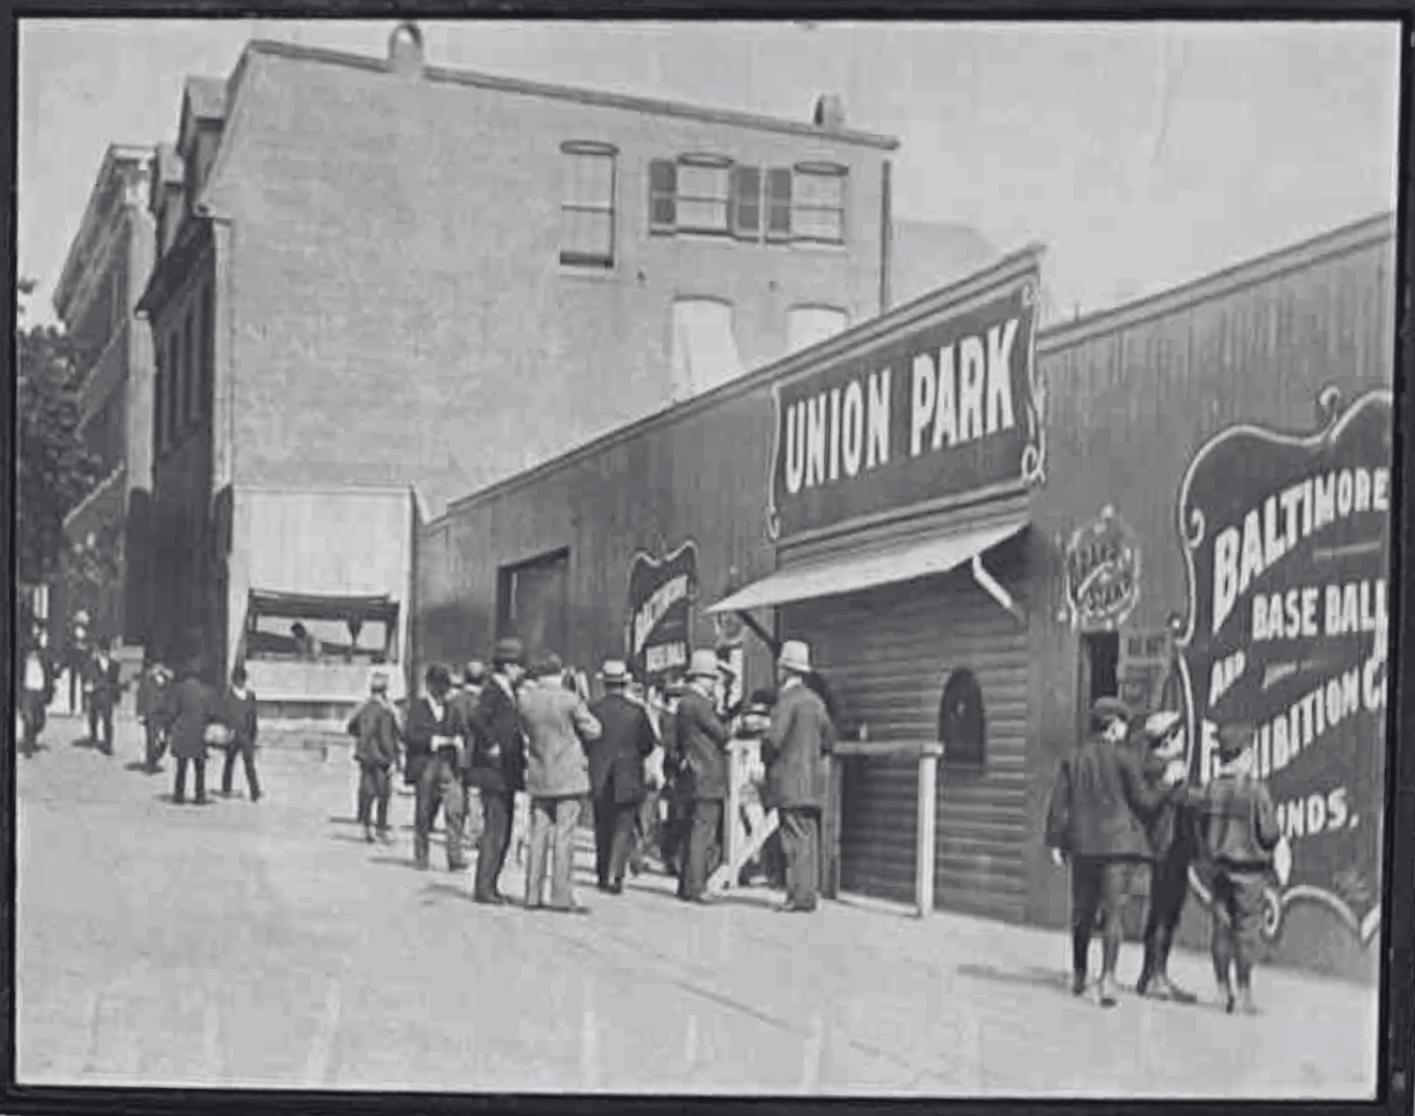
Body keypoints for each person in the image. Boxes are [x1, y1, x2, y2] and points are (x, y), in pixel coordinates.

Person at [1045, 696, 1184, 1007]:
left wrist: (1055, 842)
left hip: (1083, 846)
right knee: (1113, 914)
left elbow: (1058, 804)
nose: (1126, 730)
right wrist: (1167, 782)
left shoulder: (1073, 758)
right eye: (1123, 724)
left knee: (1081, 912)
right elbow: (1146, 801)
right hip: (1117, 847)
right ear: (1113, 726)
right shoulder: (1125, 758)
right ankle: (1107, 978)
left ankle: (1080, 974)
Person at [1190, 722, 1282, 1015]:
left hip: (1218, 869)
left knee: (1221, 929)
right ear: (1244, 754)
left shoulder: (1211, 788)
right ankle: (1243, 994)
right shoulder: (1256, 790)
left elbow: (1201, 829)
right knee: (1246, 932)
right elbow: (1270, 833)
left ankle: (1221, 991)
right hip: (1249, 873)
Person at [519, 651, 601, 912]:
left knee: (538, 835)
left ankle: (532, 894)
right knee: (564, 837)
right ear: (561, 672)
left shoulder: (526, 700)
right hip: (568, 776)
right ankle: (561, 896)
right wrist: (582, 696)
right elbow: (594, 730)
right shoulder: (570, 700)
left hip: (539, 773)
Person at [763, 641, 835, 913]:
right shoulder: (816, 701)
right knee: (809, 840)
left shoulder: (786, 701)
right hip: (813, 783)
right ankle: (807, 896)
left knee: (792, 841)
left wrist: (765, 756)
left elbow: (773, 741)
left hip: (789, 782)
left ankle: (797, 897)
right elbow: (829, 740)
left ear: (784, 670)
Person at [1134, 710, 1198, 1003]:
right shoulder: (1160, 768)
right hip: (1167, 847)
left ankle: (1151, 975)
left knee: (1164, 911)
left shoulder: (1161, 766)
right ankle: (1156, 977)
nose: (1184, 737)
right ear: (1169, 737)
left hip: (1171, 847)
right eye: (1180, 733)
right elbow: (1174, 800)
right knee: (1165, 913)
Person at [466, 638, 529, 904]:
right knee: (495, 831)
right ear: (508, 666)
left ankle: (491, 885)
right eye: (519, 666)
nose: (522, 671)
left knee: (501, 831)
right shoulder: (493, 690)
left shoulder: (506, 690)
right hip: (494, 772)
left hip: (505, 772)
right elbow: (475, 718)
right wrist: (491, 743)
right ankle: (484, 888)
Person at [587, 660, 658, 894]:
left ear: (604, 683)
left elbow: (585, 741)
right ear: (624, 683)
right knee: (623, 827)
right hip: (629, 775)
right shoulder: (636, 711)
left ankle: (602, 873)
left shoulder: (593, 709)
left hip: (600, 775)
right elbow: (648, 743)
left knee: (603, 827)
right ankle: (614, 875)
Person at [671, 649, 733, 903]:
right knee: (703, 832)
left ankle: (687, 885)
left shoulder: (684, 703)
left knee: (693, 830)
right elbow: (722, 734)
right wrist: (721, 705)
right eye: (712, 678)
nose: (714, 683)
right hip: (707, 774)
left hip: (692, 774)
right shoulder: (699, 703)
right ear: (703, 678)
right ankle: (697, 887)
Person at [408, 664, 465, 871]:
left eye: (445, 685)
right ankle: (421, 856)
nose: (442, 690)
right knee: (423, 812)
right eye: (438, 685)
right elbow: (409, 736)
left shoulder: (453, 709)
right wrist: (432, 740)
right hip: (426, 763)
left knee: (455, 811)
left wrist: (459, 740)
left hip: (448, 764)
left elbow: (462, 730)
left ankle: (455, 857)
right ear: (429, 685)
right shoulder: (417, 708)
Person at [348, 672, 402, 843]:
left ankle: (366, 826)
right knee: (383, 794)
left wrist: (363, 739)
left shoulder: (363, 707)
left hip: (365, 755)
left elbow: (351, 727)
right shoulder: (386, 710)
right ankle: (381, 828)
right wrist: (392, 758)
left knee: (367, 792)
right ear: (385, 690)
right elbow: (386, 738)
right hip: (381, 757)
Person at [169, 656, 219, 806]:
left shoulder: (179, 689)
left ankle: (179, 796)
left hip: (182, 731)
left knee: (181, 767)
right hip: (198, 732)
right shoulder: (207, 691)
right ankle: (199, 796)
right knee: (199, 767)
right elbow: (212, 713)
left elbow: (172, 711)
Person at [449, 660, 487, 844]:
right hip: (482, 753)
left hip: (460, 752)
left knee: (460, 792)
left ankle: (459, 829)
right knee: (476, 794)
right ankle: (476, 832)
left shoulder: (455, 700)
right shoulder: (488, 700)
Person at [218, 664, 262, 801]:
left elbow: (253, 716)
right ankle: (226, 789)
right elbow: (223, 714)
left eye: (243, 679)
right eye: (238, 679)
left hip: (246, 734)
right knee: (229, 762)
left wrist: (254, 735)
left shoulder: (250, 695)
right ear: (234, 680)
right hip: (233, 734)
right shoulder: (228, 695)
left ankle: (255, 792)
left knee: (249, 764)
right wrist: (227, 729)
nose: (241, 682)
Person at [18, 627, 55, 757]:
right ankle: (28, 747)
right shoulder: (22, 663)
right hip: (27, 693)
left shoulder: (44, 661)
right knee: (28, 720)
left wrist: (49, 694)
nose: (32, 655)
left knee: (39, 722)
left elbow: (50, 678)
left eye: (34, 652)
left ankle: (31, 739)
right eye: (30, 652)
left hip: (40, 693)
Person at [84, 637, 123, 755]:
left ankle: (108, 744)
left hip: (108, 696)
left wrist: (117, 697)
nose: (105, 653)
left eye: (107, 651)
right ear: (100, 651)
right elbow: (88, 677)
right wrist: (89, 688)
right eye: (103, 651)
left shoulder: (115, 664)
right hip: (95, 695)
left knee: (108, 720)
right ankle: (93, 737)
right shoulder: (92, 663)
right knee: (93, 718)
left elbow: (116, 682)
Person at [136, 657, 174, 772]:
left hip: (165, 714)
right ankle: (149, 765)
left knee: (165, 741)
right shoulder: (146, 679)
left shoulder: (168, 679)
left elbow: (172, 696)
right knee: (151, 739)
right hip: (151, 713)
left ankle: (154, 758)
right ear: (153, 667)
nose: (159, 668)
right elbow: (140, 696)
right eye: (156, 666)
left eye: (161, 666)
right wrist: (140, 713)